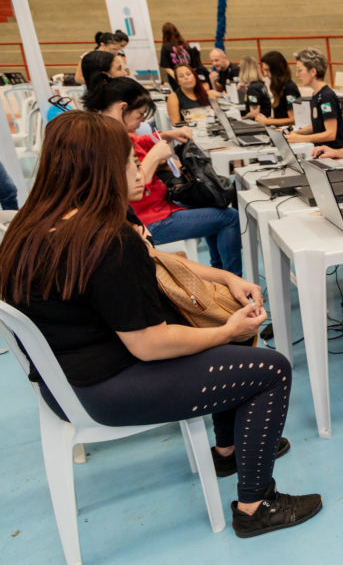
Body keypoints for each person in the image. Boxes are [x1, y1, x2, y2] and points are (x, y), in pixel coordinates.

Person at [0, 111, 321, 537]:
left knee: (228, 326)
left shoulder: (31, 225)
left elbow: (151, 264)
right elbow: (149, 345)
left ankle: (228, 450)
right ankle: (255, 506)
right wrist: (228, 332)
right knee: (272, 369)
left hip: (65, 380)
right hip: (106, 389)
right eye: (130, 162)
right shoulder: (106, 240)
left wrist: (225, 280)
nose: (138, 168)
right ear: (102, 170)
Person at [84, 76, 243, 277]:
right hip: (150, 220)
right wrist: (155, 156)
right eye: (140, 115)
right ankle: (232, 278)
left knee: (212, 205)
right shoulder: (111, 140)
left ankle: (221, 276)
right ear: (122, 108)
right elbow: (133, 189)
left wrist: (165, 135)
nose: (140, 122)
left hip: (156, 209)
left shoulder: (111, 132)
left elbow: (138, 140)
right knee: (230, 218)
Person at [285, 48, 343, 149]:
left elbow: (330, 134)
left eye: (300, 70)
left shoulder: (326, 96)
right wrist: (294, 133)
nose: (297, 75)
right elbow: (317, 125)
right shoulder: (316, 94)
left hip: (330, 154)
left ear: (313, 71)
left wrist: (299, 138)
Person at [253, 51, 299, 127]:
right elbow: (281, 116)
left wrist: (267, 121)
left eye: (267, 70)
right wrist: (268, 119)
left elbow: (293, 120)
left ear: (277, 70)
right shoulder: (278, 86)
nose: (265, 74)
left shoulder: (289, 88)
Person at [159, 22, 209, 90]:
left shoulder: (165, 47)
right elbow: (194, 64)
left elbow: (167, 67)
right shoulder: (185, 44)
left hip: (176, 80)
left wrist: (178, 78)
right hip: (189, 77)